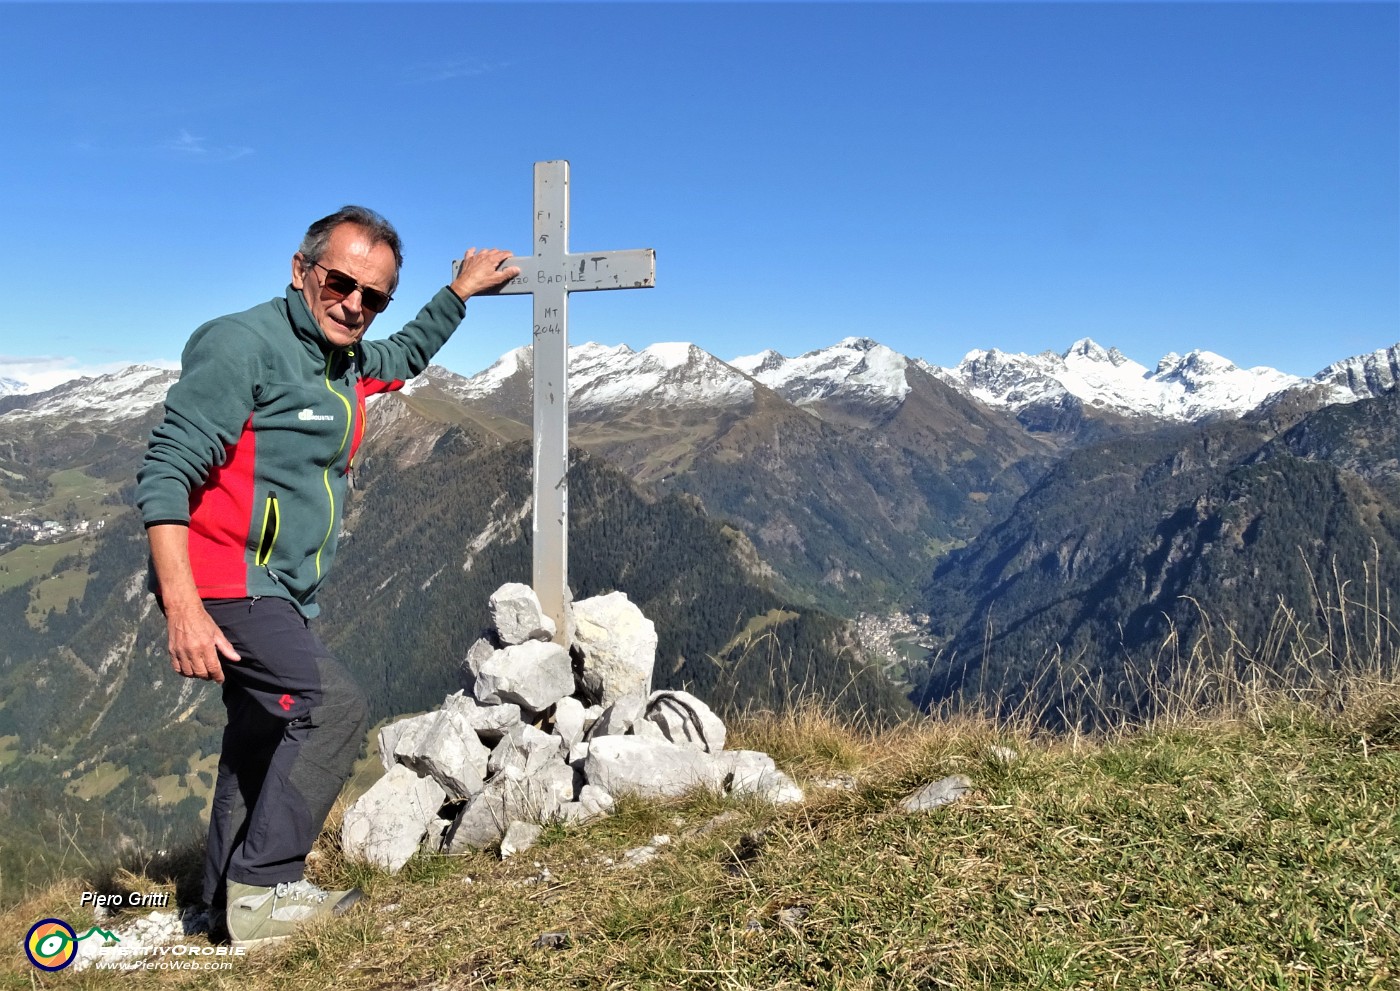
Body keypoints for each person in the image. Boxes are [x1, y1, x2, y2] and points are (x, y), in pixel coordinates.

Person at [135, 206, 518, 946]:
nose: (355, 304)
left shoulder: (345, 358)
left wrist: (460, 294)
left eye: (375, 295)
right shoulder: (243, 344)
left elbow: (404, 354)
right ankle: (268, 887)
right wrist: (183, 605)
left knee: (261, 733)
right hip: (223, 579)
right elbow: (167, 470)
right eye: (341, 283)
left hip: (277, 587)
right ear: (300, 269)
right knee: (329, 704)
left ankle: (220, 900)